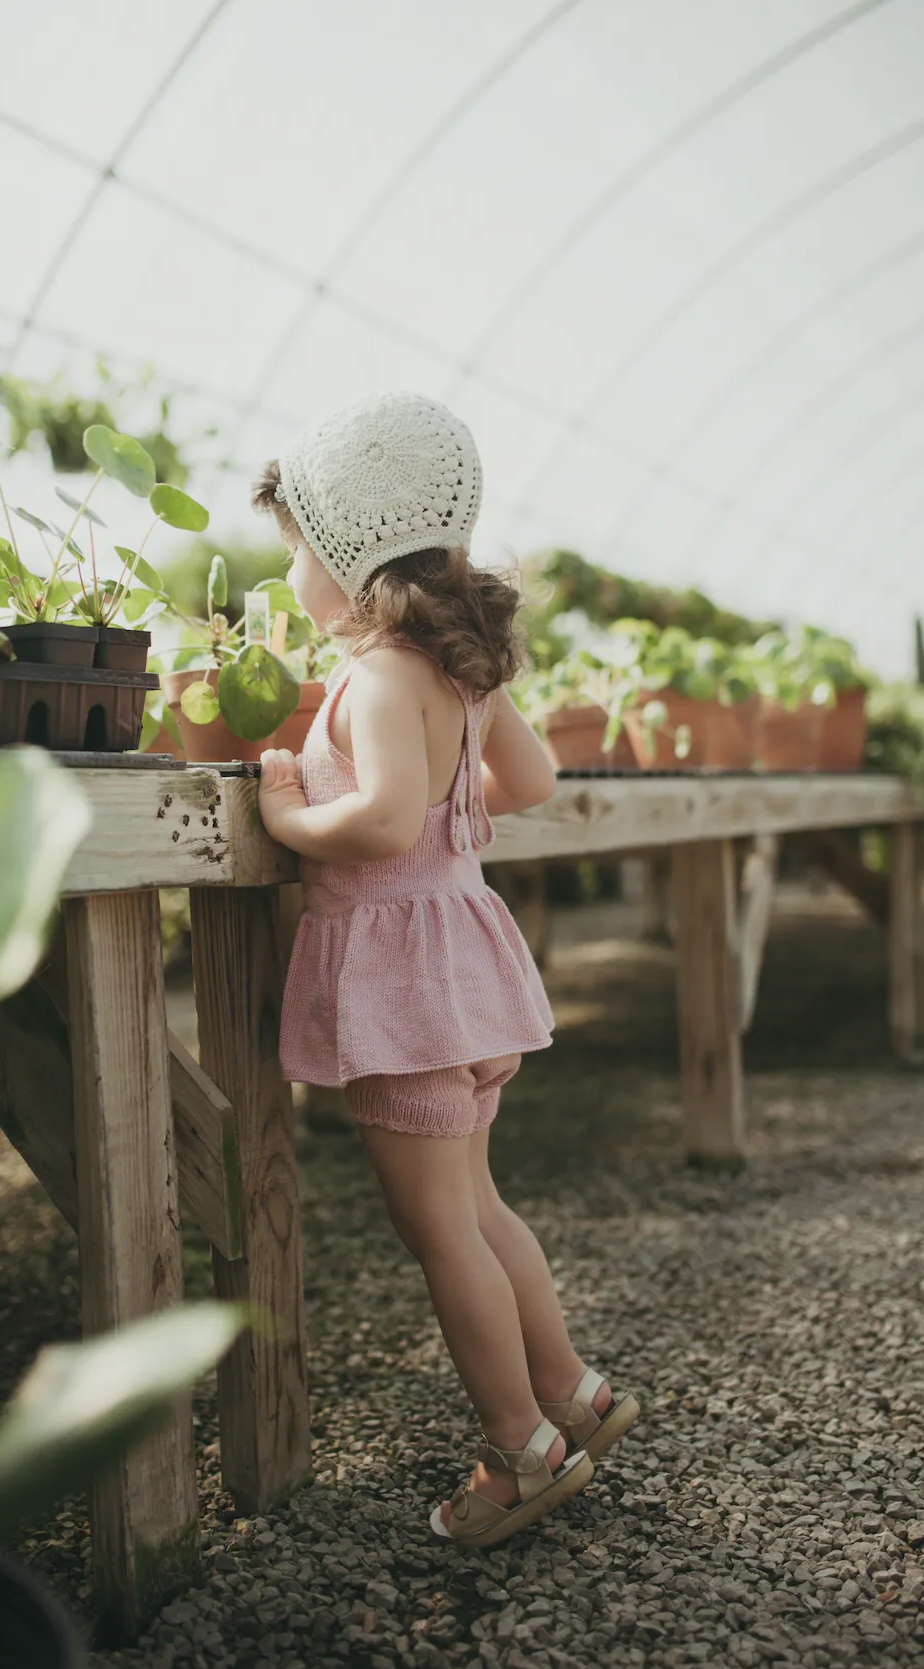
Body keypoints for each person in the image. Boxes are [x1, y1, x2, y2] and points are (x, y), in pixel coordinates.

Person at [253, 393, 638, 1547]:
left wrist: (285, 813)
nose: (290, 584)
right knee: (478, 1206)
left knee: (439, 1236)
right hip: (466, 970)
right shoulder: (456, 671)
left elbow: (372, 825)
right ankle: (571, 1392)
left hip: (401, 993)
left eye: (297, 559)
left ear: (350, 560)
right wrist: (443, 790)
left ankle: (519, 1451)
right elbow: (526, 785)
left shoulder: (375, 678)